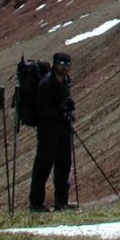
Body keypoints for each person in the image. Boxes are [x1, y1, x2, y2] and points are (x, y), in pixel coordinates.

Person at [29, 52, 76, 212]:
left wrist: (68, 111)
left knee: (64, 164)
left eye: (67, 64)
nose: (64, 67)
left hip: (62, 129)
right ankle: (36, 204)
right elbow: (42, 110)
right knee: (43, 166)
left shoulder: (65, 81)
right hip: (47, 131)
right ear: (55, 64)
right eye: (61, 64)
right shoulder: (46, 83)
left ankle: (61, 202)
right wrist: (61, 110)